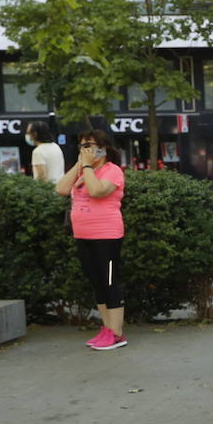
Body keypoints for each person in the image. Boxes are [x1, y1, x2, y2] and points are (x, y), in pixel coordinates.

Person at [56, 129, 128, 351]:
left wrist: (87, 167)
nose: (86, 150)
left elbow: (97, 191)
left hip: (106, 236)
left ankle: (116, 334)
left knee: (108, 282)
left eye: (91, 145)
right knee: (97, 283)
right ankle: (106, 329)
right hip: (83, 235)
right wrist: (80, 166)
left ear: (103, 149)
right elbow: (60, 189)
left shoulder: (112, 171)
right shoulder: (82, 171)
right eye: (83, 146)